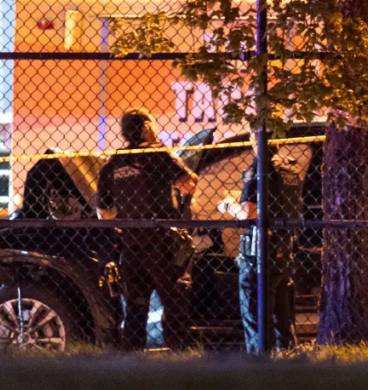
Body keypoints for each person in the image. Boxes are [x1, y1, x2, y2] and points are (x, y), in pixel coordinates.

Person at [96, 108, 198, 351]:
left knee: (135, 307)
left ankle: (132, 360)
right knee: (174, 302)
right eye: (152, 124)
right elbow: (188, 183)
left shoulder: (113, 163)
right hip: (162, 242)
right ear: (145, 127)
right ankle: (180, 354)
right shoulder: (157, 154)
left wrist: (124, 224)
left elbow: (104, 212)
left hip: (131, 246)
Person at [218, 128, 302, 353]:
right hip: (284, 249)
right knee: (282, 317)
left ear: (255, 139)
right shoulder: (290, 167)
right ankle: (289, 360)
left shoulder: (256, 169)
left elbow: (248, 212)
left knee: (255, 316)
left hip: (258, 253)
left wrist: (227, 205)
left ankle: (260, 365)